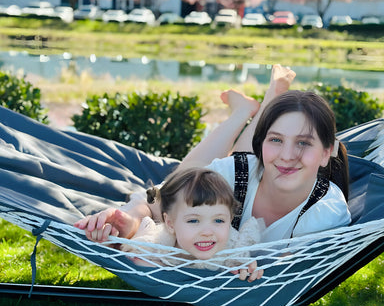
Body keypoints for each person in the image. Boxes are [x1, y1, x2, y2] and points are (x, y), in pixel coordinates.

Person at [75, 64, 350, 246]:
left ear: (327, 153)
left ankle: (253, 106)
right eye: (275, 139)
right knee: (188, 176)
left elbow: (283, 272)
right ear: (262, 143)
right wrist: (126, 219)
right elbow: (159, 200)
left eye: (303, 143)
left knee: (229, 170)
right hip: (242, 171)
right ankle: (247, 110)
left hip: (246, 174)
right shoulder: (234, 171)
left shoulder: (325, 214)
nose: (288, 155)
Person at [120, 166, 264, 281]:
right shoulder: (161, 244)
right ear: (170, 224)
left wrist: (244, 266)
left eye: (219, 220)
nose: (207, 232)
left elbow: (241, 263)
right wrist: (159, 266)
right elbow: (138, 259)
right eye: (193, 220)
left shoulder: (230, 247)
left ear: (230, 220)